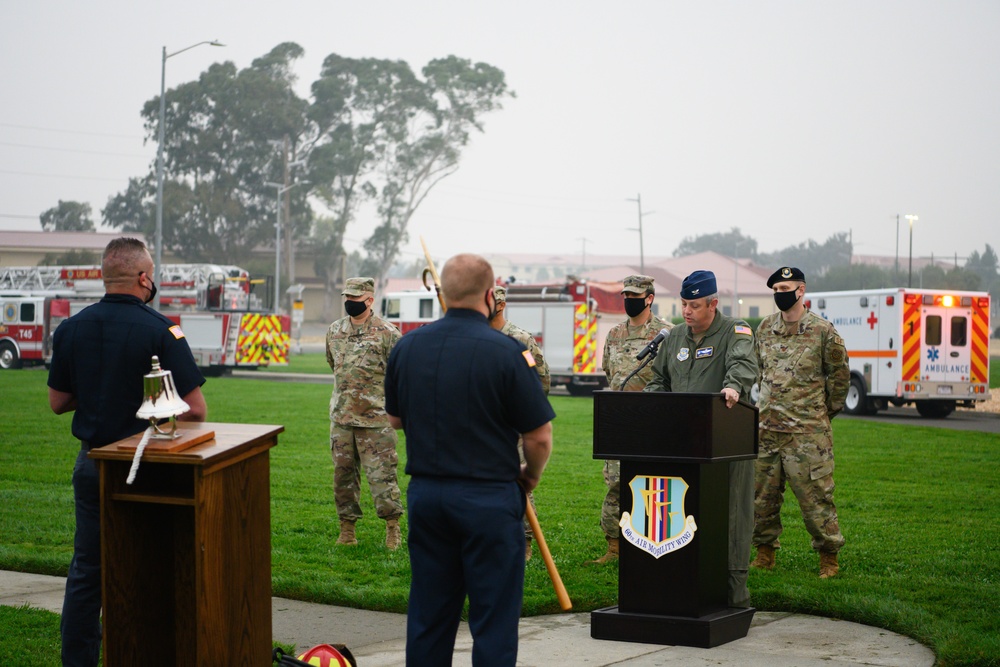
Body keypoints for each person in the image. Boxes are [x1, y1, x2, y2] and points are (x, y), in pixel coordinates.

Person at [384, 254, 555, 667]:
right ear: (490, 292)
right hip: (488, 497)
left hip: (427, 495)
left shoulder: (407, 347)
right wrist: (529, 478)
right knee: (493, 618)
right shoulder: (508, 352)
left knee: (429, 614)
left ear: (443, 290)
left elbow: (394, 419)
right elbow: (539, 436)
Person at [47, 237, 207, 667]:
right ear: (143, 278)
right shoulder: (162, 329)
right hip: (146, 465)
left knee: (87, 573)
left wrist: (103, 394)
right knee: (151, 569)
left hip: (92, 463)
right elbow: (194, 409)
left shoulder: (71, 328)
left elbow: (58, 402)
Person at [644, 269, 757, 608]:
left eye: (694, 305)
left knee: (732, 514)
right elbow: (659, 380)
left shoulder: (736, 331)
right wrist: (648, 401)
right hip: (682, 444)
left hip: (725, 443)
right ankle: (683, 584)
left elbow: (742, 366)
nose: (687, 311)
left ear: (713, 304)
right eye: (683, 304)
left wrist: (733, 386)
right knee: (683, 511)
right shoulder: (674, 337)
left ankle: (733, 592)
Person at [752, 267, 850, 578]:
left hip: (807, 436)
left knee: (816, 500)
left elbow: (839, 382)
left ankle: (828, 559)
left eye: (786, 287)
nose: (780, 293)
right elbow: (757, 371)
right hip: (767, 432)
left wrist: (819, 416)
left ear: (801, 290)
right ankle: (764, 554)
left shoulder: (823, 332)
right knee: (761, 500)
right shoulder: (766, 328)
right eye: (776, 288)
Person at [592, 274, 672, 565]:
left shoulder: (667, 333)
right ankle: (614, 547)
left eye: (634, 296)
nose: (628, 300)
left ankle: (652, 544)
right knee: (616, 485)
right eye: (625, 295)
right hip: (620, 424)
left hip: (653, 425)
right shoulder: (614, 334)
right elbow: (610, 373)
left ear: (649, 298)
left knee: (653, 485)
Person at [325, 276, 404, 550]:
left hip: (376, 423)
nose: (350, 303)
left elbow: (400, 376)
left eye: (355, 299)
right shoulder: (334, 331)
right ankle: (347, 531)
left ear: (370, 300)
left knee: (382, 479)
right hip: (341, 420)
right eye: (347, 298)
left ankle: (392, 530)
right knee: (343, 478)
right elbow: (334, 365)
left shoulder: (388, 334)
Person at [490, 284, 550, 561]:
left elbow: (540, 377)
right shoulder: (476, 337)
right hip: (483, 424)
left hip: (511, 425)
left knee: (518, 482)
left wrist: (526, 413)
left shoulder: (520, 340)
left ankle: (525, 540)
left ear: (500, 305)